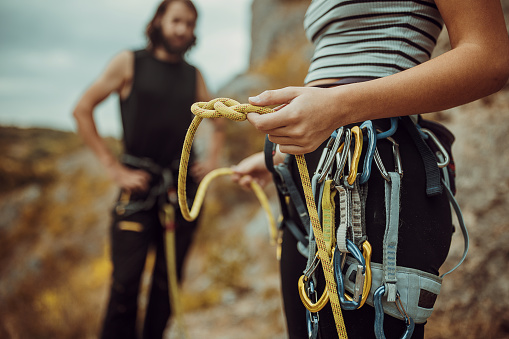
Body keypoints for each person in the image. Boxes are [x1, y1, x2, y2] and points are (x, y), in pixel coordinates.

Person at [232, 0, 509, 338]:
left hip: (372, 170)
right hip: (314, 172)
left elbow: (489, 57)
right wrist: (282, 155)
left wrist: (335, 107)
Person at [72, 1, 225, 338]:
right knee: (125, 285)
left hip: (180, 190)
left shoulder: (193, 74)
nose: (183, 29)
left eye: (190, 23)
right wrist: (114, 169)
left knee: (167, 284)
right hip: (137, 189)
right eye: (176, 21)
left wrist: (211, 159)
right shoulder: (130, 62)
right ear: (159, 21)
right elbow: (82, 110)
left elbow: (218, 120)